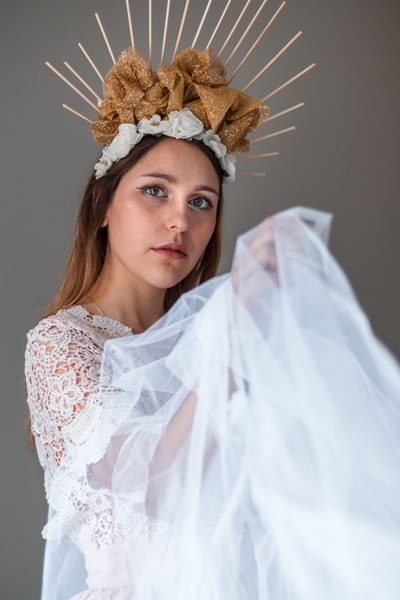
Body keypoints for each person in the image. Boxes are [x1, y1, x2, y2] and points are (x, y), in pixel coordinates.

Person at [25, 5, 400, 600]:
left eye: (202, 202)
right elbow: (152, 482)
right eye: (155, 191)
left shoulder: (214, 338)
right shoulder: (61, 346)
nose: (179, 219)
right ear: (101, 207)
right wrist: (232, 331)